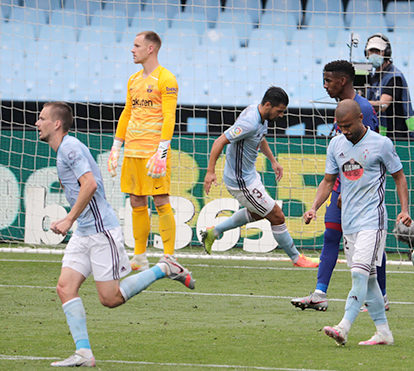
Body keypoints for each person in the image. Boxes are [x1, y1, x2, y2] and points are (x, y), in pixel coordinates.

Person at [37, 102, 195, 367]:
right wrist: (73, 222)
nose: (36, 123)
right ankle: (84, 353)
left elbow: (90, 184)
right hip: (84, 233)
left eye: (41, 118)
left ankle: (164, 268)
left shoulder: (69, 148)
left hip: (100, 232)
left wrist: (68, 219)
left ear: (56, 124)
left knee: (110, 299)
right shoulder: (64, 149)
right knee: (65, 288)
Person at [303, 100, 411, 346]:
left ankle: (344, 327)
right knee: (370, 280)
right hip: (349, 222)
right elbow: (329, 181)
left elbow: (399, 177)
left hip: (373, 221)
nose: (345, 131)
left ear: (361, 118)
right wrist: (313, 207)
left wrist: (404, 210)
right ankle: (383, 332)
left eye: (349, 125)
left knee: (359, 275)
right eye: (340, 126)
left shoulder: (381, 144)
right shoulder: (335, 144)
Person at [292, 60, 388, 311]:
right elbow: (333, 169)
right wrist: (317, 203)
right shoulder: (342, 109)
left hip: (360, 191)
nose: (324, 86)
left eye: (328, 80)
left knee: (371, 242)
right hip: (340, 188)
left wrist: (351, 191)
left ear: (342, 81)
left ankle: (381, 296)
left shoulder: (363, 110)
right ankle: (319, 293)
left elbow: (370, 153)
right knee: (331, 235)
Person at [201, 87, 318, 268]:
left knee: (259, 211)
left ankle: (214, 232)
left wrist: (273, 161)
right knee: (277, 215)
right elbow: (219, 141)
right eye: (279, 111)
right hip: (240, 181)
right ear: (268, 105)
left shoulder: (259, 115)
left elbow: (259, 137)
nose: (280, 115)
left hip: (249, 175)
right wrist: (210, 171)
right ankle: (297, 258)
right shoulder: (249, 121)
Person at [107, 30, 179, 272]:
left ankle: (169, 256)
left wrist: (162, 151)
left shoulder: (166, 79)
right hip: (132, 152)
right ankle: (139, 257)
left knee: (161, 201)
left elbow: (170, 115)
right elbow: (127, 113)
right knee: (136, 201)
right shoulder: (133, 80)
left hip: (153, 155)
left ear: (151, 49)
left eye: (137, 45)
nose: (132, 49)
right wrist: (116, 146)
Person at [365, 33, 414, 140]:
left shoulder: (394, 77)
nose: (374, 54)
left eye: (378, 51)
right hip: (381, 135)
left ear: (386, 53)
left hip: (399, 136)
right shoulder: (372, 76)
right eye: (371, 51)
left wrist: (357, 102)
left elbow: (383, 105)